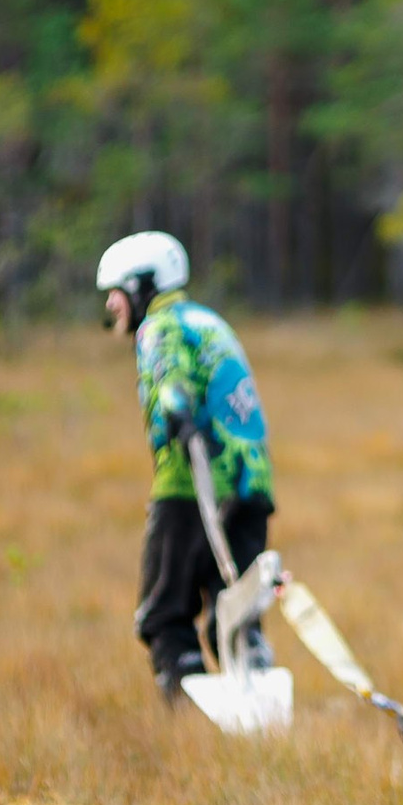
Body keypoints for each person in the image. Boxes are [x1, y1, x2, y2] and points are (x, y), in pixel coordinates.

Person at [95, 232, 277, 702]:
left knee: (163, 616)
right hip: (251, 483)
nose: (111, 304)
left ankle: (189, 726)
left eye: (115, 291)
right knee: (231, 611)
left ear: (141, 286)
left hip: (192, 485)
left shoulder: (160, 326)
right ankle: (257, 710)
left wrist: (177, 409)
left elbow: (172, 382)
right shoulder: (209, 321)